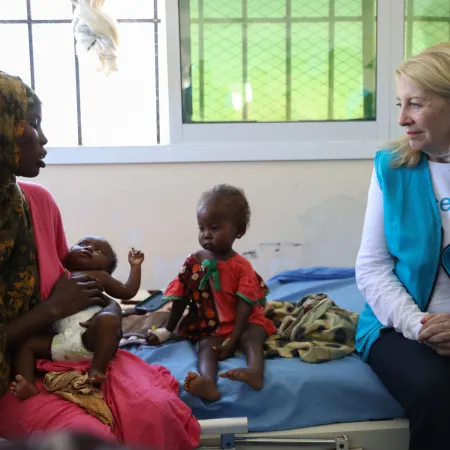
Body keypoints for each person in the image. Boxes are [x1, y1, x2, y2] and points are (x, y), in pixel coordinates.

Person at [0, 71, 200, 449]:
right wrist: (50, 311)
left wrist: (102, 311)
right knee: (89, 439)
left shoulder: (38, 202)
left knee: (154, 411)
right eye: (33, 125)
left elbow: (63, 282)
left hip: (63, 353)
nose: (43, 139)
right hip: (13, 377)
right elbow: (56, 303)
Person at [355, 42, 450, 450]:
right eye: (400, 103)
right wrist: (419, 325)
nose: (402, 119)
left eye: (416, 103)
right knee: (434, 389)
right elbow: (372, 267)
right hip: (401, 325)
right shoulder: (391, 169)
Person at [147, 184, 277, 402]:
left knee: (252, 336)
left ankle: (255, 372)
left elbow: (245, 306)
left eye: (215, 228)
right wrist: (167, 330)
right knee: (206, 345)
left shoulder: (240, 266)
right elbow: (181, 296)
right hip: (211, 326)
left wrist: (234, 340)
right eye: (201, 228)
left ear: (239, 230)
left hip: (242, 323)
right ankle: (208, 382)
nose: (206, 235)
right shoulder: (193, 262)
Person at [11, 237, 145, 399]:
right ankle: (27, 384)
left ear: (107, 267)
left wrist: (135, 266)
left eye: (99, 250)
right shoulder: (57, 273)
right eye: (82, 244)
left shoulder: (100, 276)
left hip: (91, 339)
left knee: (108, 319)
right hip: (60, 342)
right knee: (26, 344)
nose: (88, 248)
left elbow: (127, 291)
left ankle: (96, 370)